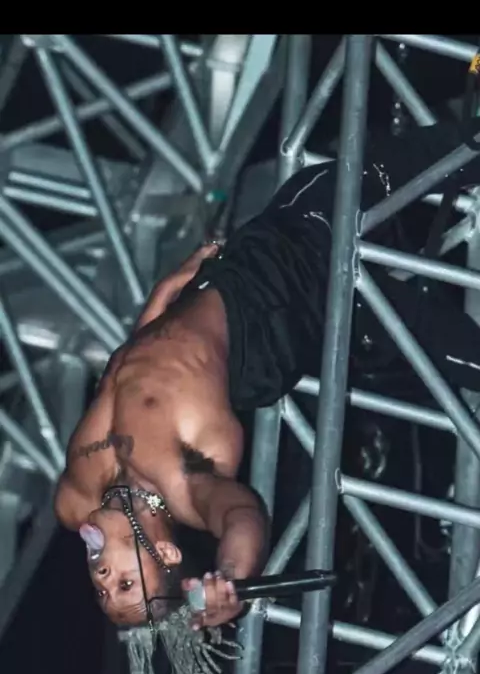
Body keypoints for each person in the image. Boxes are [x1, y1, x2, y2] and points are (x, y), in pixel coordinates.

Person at [55, 117, 480, 637]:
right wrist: (231, 577)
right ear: (165, 552)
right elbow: (242, 515)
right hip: (304, 286)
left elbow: (127, 371)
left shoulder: (83, 489)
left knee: (433, 154)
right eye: (125, 583)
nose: (103, 579)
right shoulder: (184, 484)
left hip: (269, 248)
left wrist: (163, 295)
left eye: (102, 591)